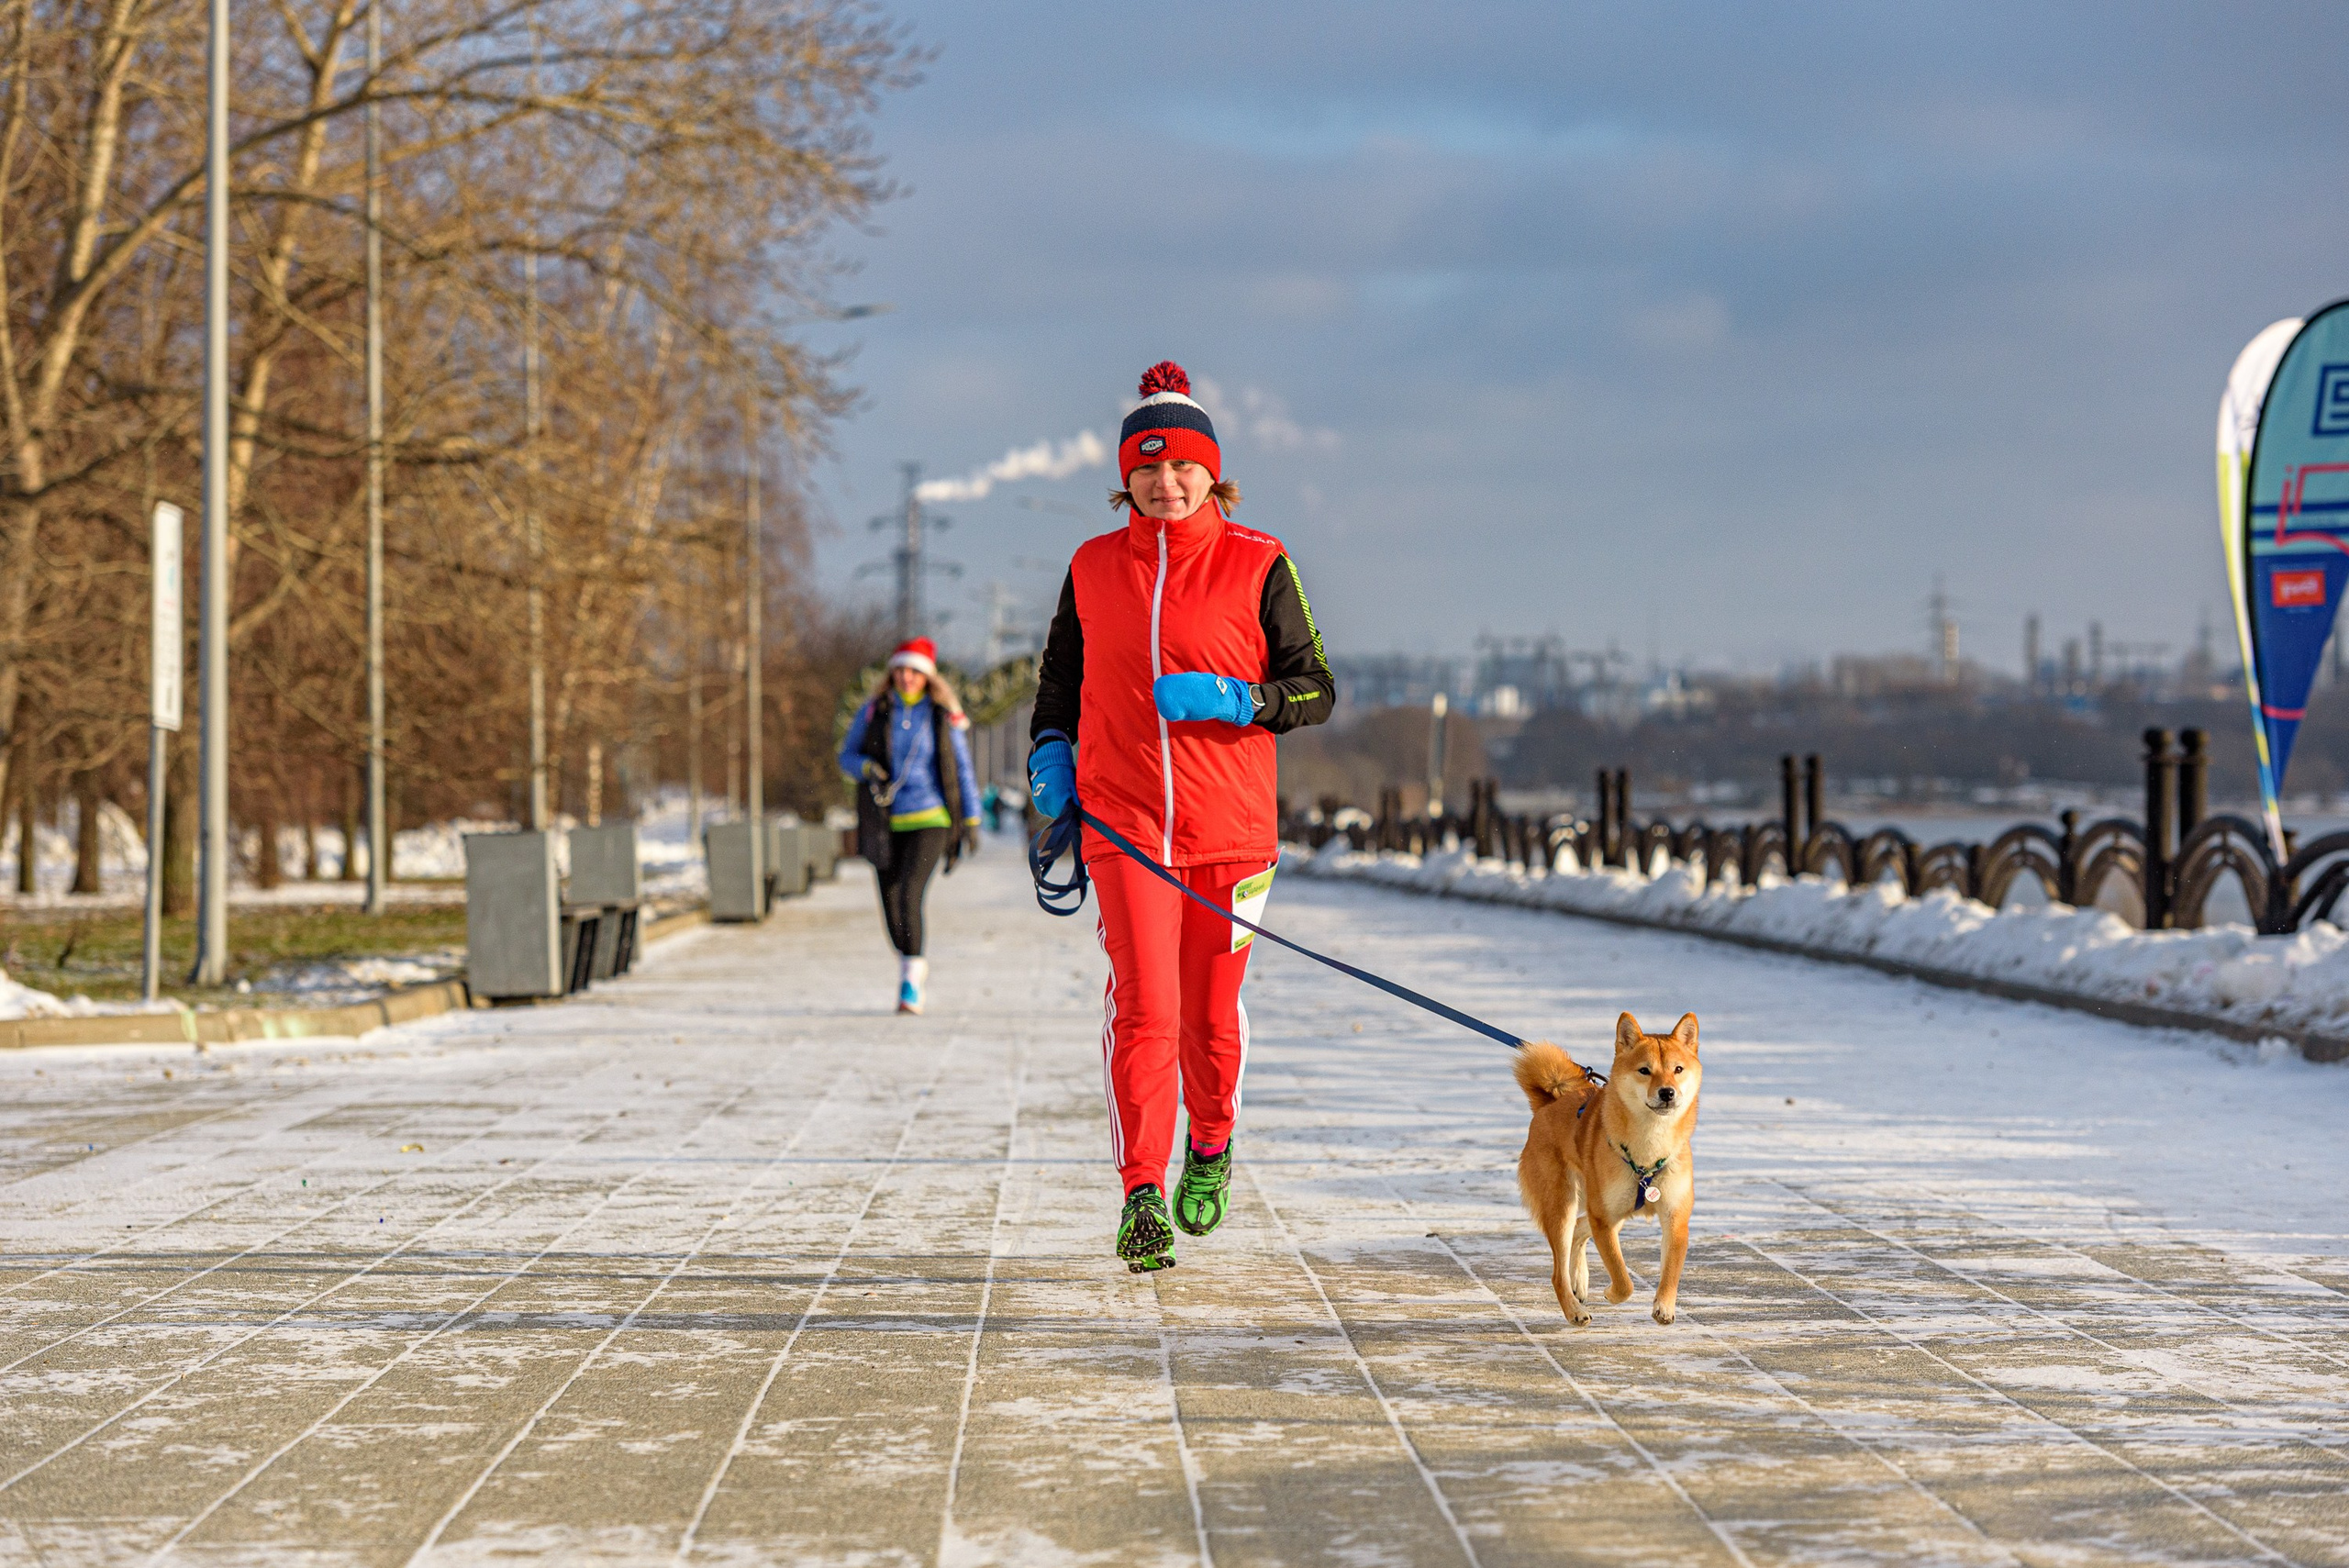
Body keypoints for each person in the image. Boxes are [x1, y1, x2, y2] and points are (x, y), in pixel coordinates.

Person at [1029, 361, 1337, 1273]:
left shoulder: (1259, 560)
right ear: (1124, 475)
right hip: (1123, 827)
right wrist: (1050, 754)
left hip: (1231, 833)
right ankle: (1137, 1192)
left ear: (1213, 473)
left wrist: (1239, 700)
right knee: (1146, 1010)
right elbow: (1057, 684)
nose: (1165, 484)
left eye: (1182, 468)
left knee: (1209, 1016)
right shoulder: (1090, 566)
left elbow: (1315, 688)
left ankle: (1211, 1142)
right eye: (1147, 468)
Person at [839, 638, 982, 1014]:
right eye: (900, 670)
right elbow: (846, 756)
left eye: (914, 671)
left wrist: (972, 818)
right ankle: (911, 961)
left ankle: (910, 984)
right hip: (885, 819)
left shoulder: (940, 715)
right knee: (889, 903)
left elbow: (962, 769)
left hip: (931, 817)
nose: (906, 677)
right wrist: (867, 768)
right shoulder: (875, 711)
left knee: (909, 894)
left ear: (927, 677)